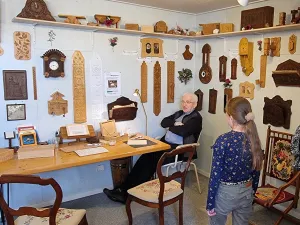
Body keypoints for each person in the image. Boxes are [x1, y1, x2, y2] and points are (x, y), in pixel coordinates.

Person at [103, 93, 202, 203]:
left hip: (179, 150)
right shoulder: (179, 113)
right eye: (183, 101)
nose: (184, 104)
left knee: (150, 160)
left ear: (195, 104)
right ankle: (124, 188)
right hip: (166, 145)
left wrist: (173, 126)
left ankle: (126, 194)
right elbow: (164, 122)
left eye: (188, 102)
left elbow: (183, 131)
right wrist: (175, 123)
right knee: (146, 155)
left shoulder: (196, 118)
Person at [206, 97, 263, 225]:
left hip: (225, 193)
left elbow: (215, 175)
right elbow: (256, 171)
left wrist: (210, 203)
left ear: (231, 118)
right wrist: (252, 192)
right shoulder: (254, 140)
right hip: (247, 191)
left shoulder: (223, 140)